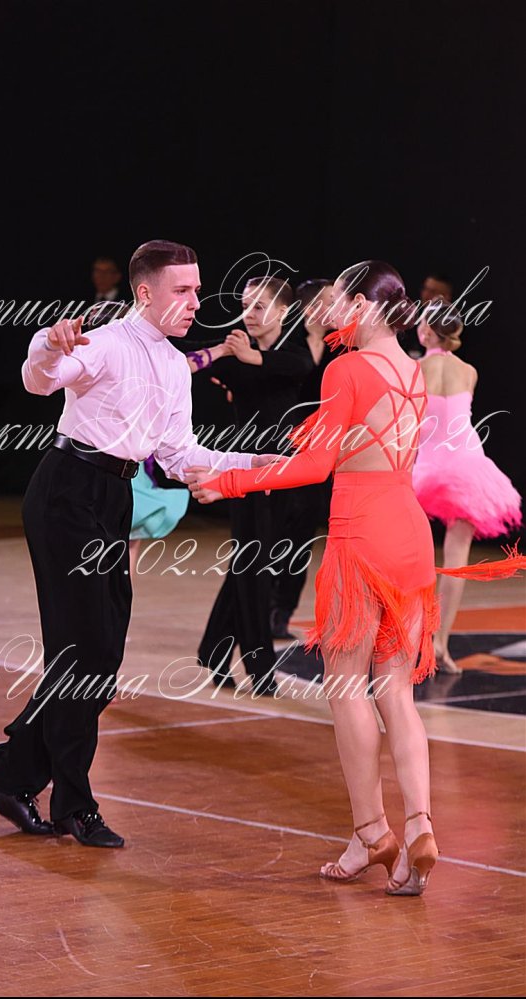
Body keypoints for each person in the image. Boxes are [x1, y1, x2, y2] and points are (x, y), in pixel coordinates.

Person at [185, 260, 525, 896]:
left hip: (361, 535)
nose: (328, 310)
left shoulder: (346, 369)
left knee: (347, 689)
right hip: (409, 535)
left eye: (339, 299)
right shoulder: (412, 370)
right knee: (396, 692)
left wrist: (229, 480)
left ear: (366, 306)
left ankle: (372, 832)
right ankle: (419, 827)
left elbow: (315, 467)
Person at [0, 240, 274, 847]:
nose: (196, 302)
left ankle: (10, 781)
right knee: (84, 652)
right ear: (145, 292)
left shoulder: (173, 365)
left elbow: (179, 455)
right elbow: (39, 381)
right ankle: (73, 804)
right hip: (66, 493)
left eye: (196, 289)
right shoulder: (106, 342)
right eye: (182, 290)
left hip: (114, 497)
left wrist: (252, 464)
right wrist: (47, 342)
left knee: (100, 655)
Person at [185, 275, 312, 694]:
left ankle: (214, 648)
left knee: (249, 566)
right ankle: (260, 668)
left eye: (259, 305)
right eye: (245, 306)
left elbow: (299, 367)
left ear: (283, 311)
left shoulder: (292, 352)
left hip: (285, 474)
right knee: (253, 569)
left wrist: (251, 357)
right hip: (243, 474)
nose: (250, 314)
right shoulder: (235, 351)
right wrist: (223, 351)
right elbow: (185, 362)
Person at [413, 297, 523, 672]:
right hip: (466, 465)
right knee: (456, 557)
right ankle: (440, 643)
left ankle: (413, 636)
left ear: (427, 331)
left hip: (428, 466)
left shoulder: (414, 369)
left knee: (415, 554)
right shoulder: (469, 371)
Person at [268, 279, 336, 639]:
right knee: (274, 529)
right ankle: (260, 609)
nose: (337, 306)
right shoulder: (284, 341)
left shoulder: (340, 348)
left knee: (301, 535)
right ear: (310, 307)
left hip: (318, 452)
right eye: (330, 300)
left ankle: (282, 613)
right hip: (278, 447)